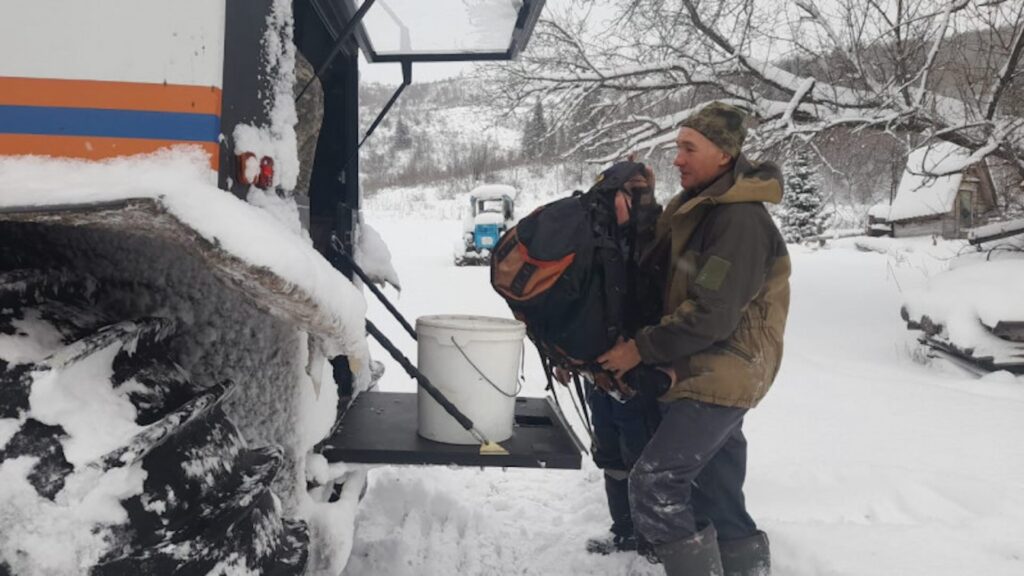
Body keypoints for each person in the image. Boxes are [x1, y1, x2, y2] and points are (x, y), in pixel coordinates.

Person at [598, 102, 790, 576]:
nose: (677, 159)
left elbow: (713, 313)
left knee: (656, 482)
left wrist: (638, 349)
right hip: (705, 361)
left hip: (726, 366)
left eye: (689, 148)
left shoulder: (739, 221)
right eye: (676, 148)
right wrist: (642, 205)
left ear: (724, 155)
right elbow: (659, 265)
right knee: (718, 492)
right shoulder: (697, 208)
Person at [553, 162, 667, 556]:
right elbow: (575, 303)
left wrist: (642, 351)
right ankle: (625, 531)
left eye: (643, 191)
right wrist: (565, 355)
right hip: (596, 371)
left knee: (643, 454)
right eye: (628, 192)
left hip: (641, 369)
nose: (636, 200)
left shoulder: (661, 239)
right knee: (610, 452)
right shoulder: (591, 239)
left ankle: (653, 540)